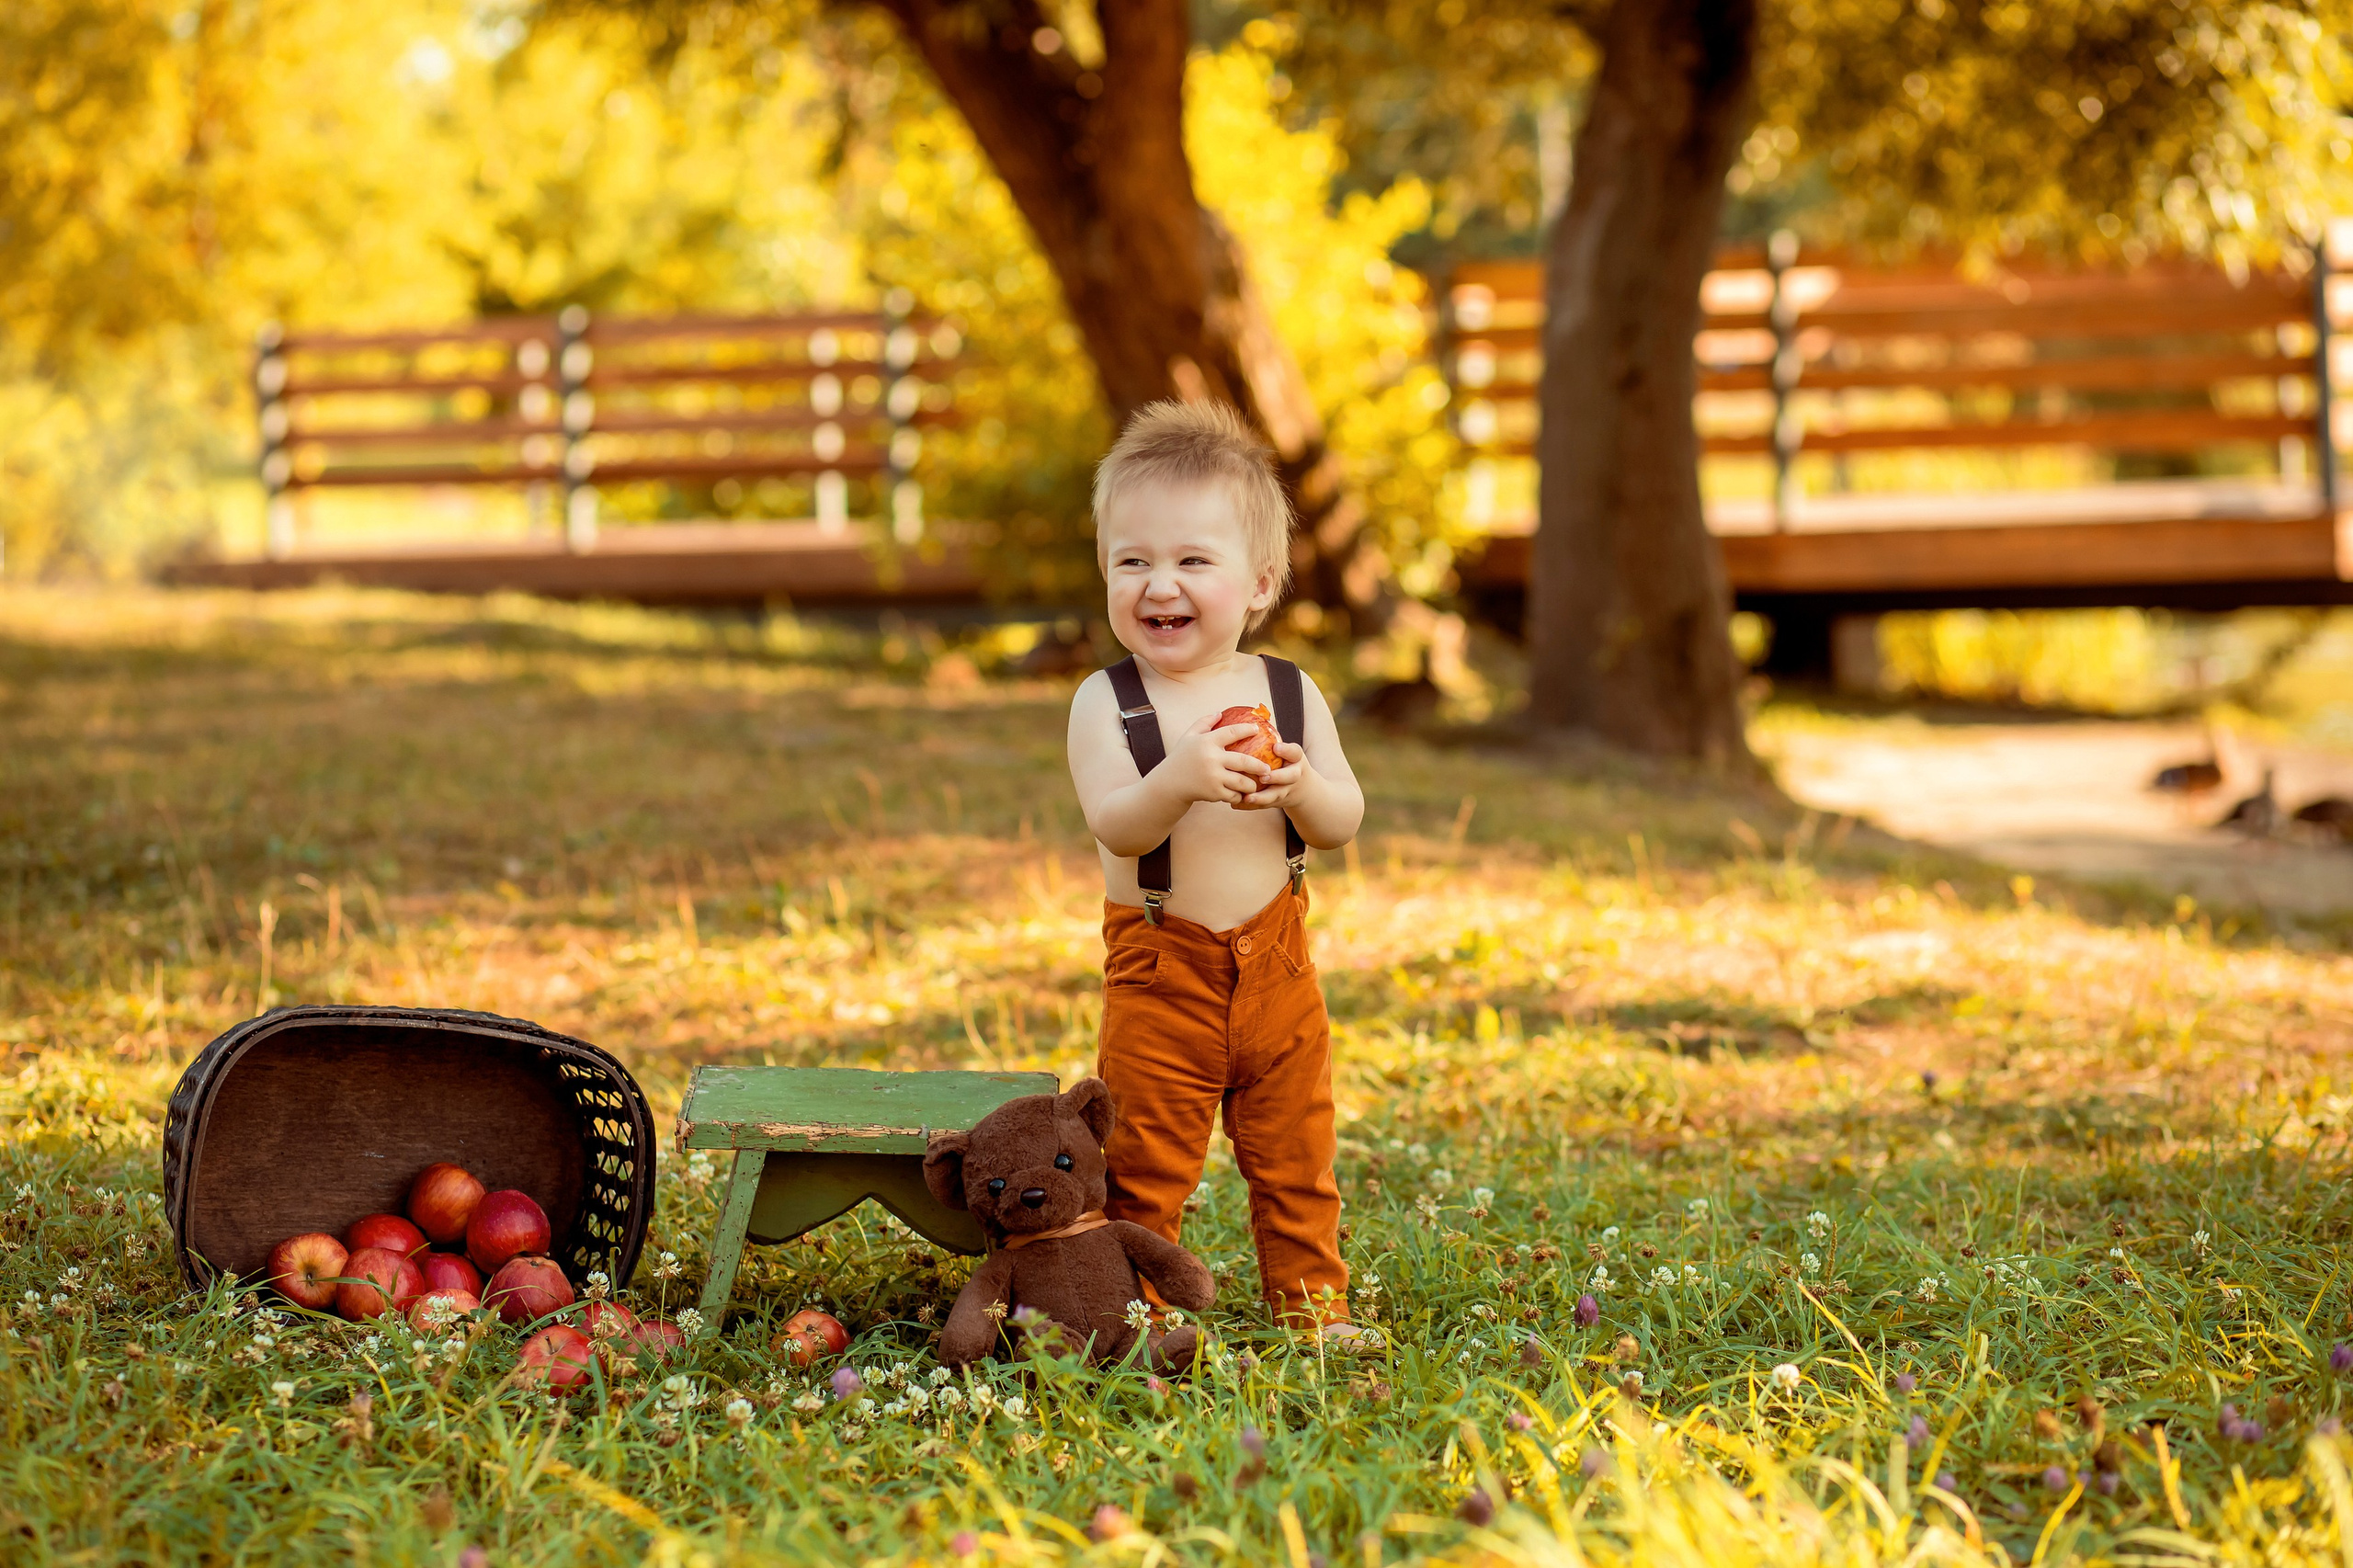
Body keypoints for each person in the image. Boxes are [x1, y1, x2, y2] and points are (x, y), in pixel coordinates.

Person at [1064, 399, 1370, 1343]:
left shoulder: (1285, 690)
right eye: (1133, 560)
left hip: (1277, 964)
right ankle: (1137, 1316)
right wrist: (1179, 777)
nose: (1161, 583)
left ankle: (1313, 1311)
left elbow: (1344, 820)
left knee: (1296, 1152)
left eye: (1193, 560)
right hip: (1163, 973)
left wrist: (1300, 781)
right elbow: (1115, 823)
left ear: (1259, 584)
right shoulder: (1107, 701)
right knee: (1147, 1159)